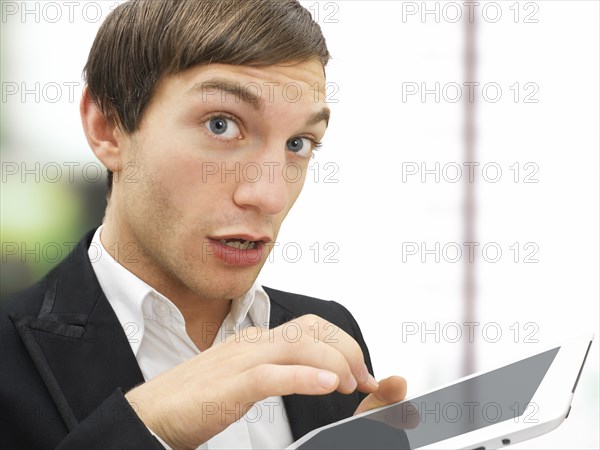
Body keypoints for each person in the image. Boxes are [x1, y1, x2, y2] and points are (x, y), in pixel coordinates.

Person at [0, 1, 407, 448]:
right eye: (221, 125)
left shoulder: (330, 336)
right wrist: (147, 426)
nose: (269, 196)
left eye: (298, 143)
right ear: (107, 127)